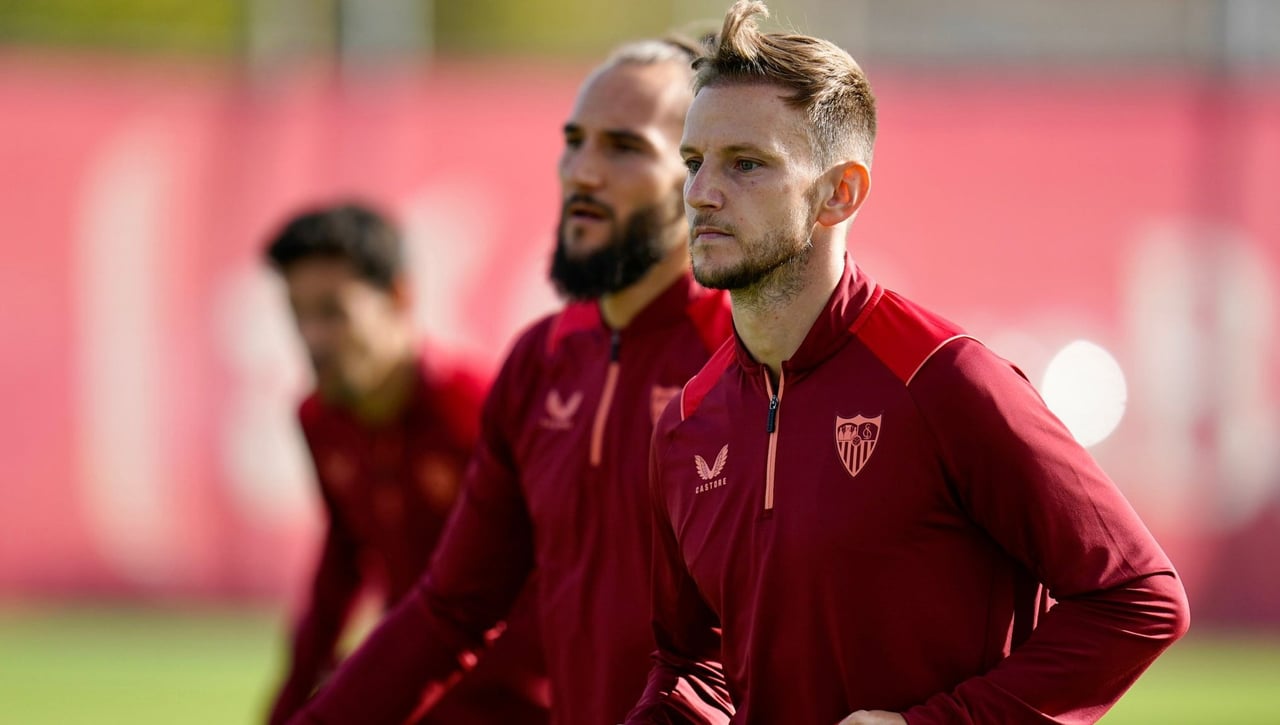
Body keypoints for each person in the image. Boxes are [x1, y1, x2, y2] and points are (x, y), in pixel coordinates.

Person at [627, 2, 1191, 724]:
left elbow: (1138, 597)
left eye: (747, 163)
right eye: (694, 161)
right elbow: (688, 664)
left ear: (841, 192)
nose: (702, 192)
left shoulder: (946, 381)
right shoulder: (685, 424)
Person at [288, 39, 734, 725]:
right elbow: (450, 611)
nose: (583, 172)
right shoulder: (538, 364)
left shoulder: (743, 362)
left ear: (698, 178)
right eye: (575, 142)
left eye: (623, 148)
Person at [262, 203, 550, 724]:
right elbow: (341, 564)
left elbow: (555, 567)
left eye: (333, 312)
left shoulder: (475, 412)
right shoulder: (319, 421)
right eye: (298, 314)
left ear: (400, 297)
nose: (313, 337)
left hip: (518, 702)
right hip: (415, 692)